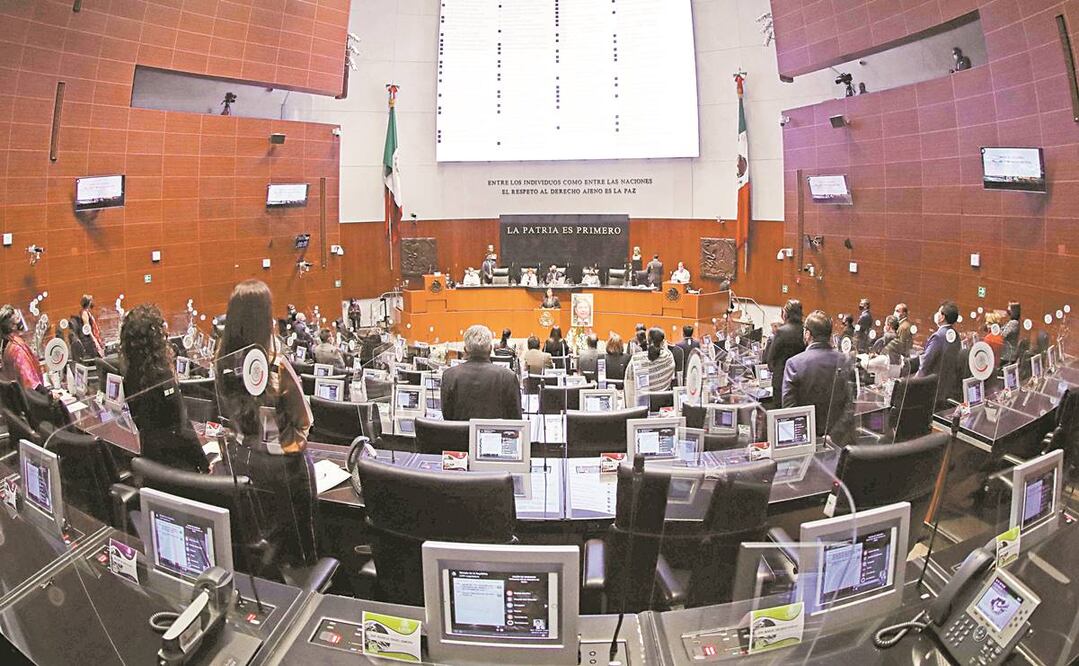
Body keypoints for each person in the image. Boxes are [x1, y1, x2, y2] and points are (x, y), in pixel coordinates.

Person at [215, 279, 319, 571]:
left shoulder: (221, 365)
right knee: (299, 552)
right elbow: (304, 421)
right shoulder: (277, 367)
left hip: (243, 463)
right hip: (284, 472)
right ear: (264, 318)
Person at [120, 304, 208, 473]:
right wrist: (204, 463)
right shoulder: (162, 377)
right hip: (178, 468)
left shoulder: (130, 375)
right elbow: (182, 428)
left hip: (152, 465)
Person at [782, 310, 856, 446]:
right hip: (838, 443)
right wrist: (833, 436)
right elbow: (851, 405)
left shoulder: (794, 363)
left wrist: (808, 437)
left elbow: (789, 410)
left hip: (805, 442)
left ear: (807, 334)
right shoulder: (845, 361)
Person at [440, 325, 522, 420]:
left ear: (465, 350)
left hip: (460, 435)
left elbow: (447, 416)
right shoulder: (509, 377)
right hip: (495, 434)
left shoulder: (449, 376)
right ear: (490, 349)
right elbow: (516, 420)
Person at [918, 301, 962, 406]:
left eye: (938, 312)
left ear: (942, 317)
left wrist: (915, 382)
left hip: (932, 389)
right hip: (948, 388)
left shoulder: (938, 336)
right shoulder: (956, 335)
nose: (936, 314)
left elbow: (925, 363)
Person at [763, 299, 806, 404]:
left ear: (785, 313)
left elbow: (770, 360)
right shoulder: (806, 331)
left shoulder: (782, 331)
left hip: (781, 381)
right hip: (801, 381)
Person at [0, 305, 44, 390]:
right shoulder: (17, 349)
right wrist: (48, 395)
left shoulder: (7, 345)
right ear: (13, 326)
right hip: (29, 398)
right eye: (18, 319)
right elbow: (30, 383)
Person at [627, 327, 675, 391]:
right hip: (664, 399)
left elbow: (629, 383)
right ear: (662, 342)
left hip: (641, 399)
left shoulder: (636, 359)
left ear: (647, 340)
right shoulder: (669, 357)